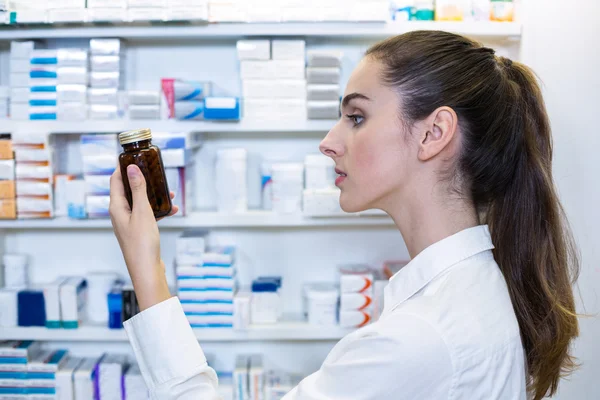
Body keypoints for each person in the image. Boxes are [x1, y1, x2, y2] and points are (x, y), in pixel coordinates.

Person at [109, 30, 580, 400]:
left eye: (356, 117)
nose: (328, 141)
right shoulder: (476, 288)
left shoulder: (417, 340)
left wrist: (146, 269)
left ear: (433, 133)